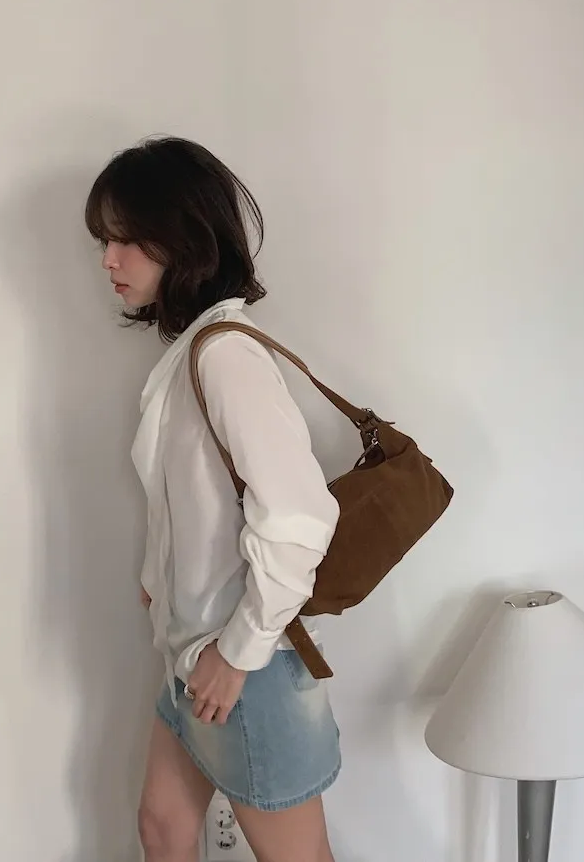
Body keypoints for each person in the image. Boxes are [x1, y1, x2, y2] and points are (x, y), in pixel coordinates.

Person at [85, 137, 340, 862]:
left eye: (125, 239)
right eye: (105, 240)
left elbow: (299, 517)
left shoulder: (226, 354)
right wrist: (160, 576)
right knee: (163, 827)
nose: (108, 260)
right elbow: (198, 493)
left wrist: (236, 653)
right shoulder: (196, 349)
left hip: (243, 666)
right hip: (193, 652)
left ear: (183, 236)